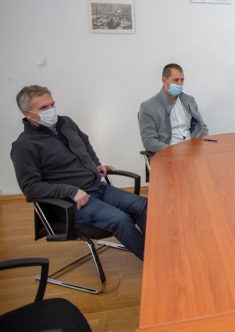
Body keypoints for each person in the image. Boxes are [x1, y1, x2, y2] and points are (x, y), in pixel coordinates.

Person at [10, 85, 147, 260]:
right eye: (44, 108)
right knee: (120, 220)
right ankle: (156, 264)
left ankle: (163, 252)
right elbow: (30, 188)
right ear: (27, 114)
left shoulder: (66, 123)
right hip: (70, 202)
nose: (51, 110)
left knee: (144, 206)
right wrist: (71, 191)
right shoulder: (24, 146)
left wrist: (96, 164)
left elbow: (85, 144)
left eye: (52, 104)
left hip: (98, 188)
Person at [139, 63, 208, 154]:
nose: (179, 84)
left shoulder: (189, 100)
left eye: (182, 80)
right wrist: (174, 150)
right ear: (164, 80)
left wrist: (197, 146)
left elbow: (202, 127)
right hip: (168, 152)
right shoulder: (148, 106)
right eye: (176, 80)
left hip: (192, 149)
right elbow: (149, 142)